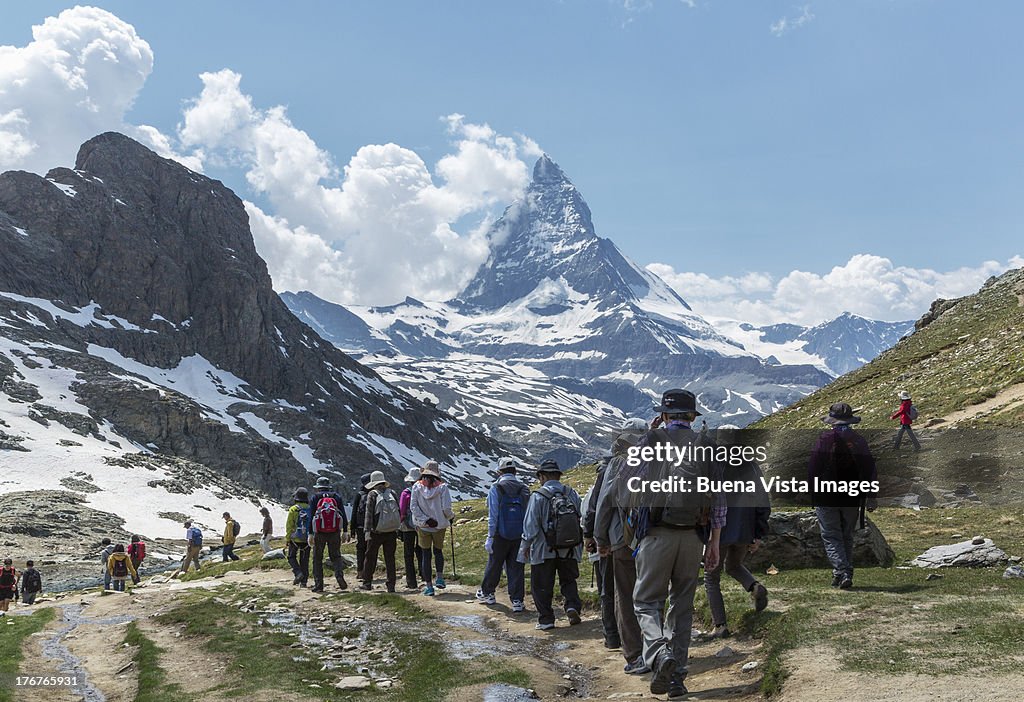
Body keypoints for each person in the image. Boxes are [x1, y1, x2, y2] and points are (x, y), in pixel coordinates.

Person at [628, 389, 726, 698]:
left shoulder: (652, 442)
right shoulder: (707, 446)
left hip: (657, 534)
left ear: (665, 415)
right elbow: (720, 501)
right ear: (693, 417)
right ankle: (677, 680)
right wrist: (714, 544)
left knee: (646, 602)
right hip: (693, 537)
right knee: (681, 607)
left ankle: (658, 653)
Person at [703, 426, 771, 639]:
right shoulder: (750, 464)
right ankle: (754, 586)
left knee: (711, 576)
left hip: (718, 530)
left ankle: (720, 625)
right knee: (733, 565)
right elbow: (763, 501)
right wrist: (758, 533)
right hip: (745, 528)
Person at [594, 418, 649, 675]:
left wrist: (600, 539)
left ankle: (635, 656)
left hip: (622, 541)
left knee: (625, 597)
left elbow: (605, 504)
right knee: (653, 595)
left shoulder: (617, 464)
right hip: (654, 537)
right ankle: (658, 649)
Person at [809, 402, 878, 590]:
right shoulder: (858, 441)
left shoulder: (824, 439)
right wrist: (871, 494)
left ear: (832, 421)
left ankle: (842, 571)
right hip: (853, 495)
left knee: (831, 535)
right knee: (847, 535)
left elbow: (814, 468)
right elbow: (870, 468)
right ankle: (843, 572)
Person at [518, 459, 584, 631]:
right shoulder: (572, 494)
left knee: (541, 585)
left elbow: (531, 526)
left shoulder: (538, 496)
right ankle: (572, 607)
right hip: (569, 548)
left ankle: (546, 619)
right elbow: (580, 518)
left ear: (543, 476)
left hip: (543, 549)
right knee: (569, 580)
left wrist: (525, 546)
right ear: (558, 475)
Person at [476, 458, 530, 612]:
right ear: (515, 471)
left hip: (500, 534)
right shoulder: (524, 489)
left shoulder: (496, 488)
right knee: (516, 567)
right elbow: (528, 514)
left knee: (495, 564)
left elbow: (493, 515)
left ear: (499, 471)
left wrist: (490, 537)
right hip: (519, 534)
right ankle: (517, 600)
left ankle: (488, 593)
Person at [584, 455, 620, 649]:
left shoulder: (605, 476)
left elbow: (596, 510)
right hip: (634, 541)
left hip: (609, 542)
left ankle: (612, 637)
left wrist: (593, 537)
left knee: (607, 590)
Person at [411, 461, 454, 596]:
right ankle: (440, 578)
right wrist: (451, 516)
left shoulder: (417, 487)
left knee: (425, 554)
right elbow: (446, 508)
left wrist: (425, 520)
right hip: (439, 525)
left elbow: (414, 507)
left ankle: (429, 586)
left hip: (424, 526)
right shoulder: (442, 488)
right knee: (438, 551)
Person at [307, 475, 349, 592]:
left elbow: (311, 516)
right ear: (328, 487)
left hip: (319, 533)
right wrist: (345, 530)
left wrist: (310, 533)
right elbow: (343, 515)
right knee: (336, 556)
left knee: (317, 558)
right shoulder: (336, 496)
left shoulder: (315, 497)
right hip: (335, 532)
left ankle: (319, 584)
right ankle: (339, 576)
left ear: (318, 487)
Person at [361, 471, 401, 592]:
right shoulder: (392, 493)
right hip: (391, 531)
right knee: (390, 558)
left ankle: (367, 582)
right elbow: (398, 510)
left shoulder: (372, 494)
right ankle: (391, 584)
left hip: (376, 532)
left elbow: (369, 514)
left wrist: (367, 531)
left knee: (370, 556)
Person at [398, 468, 425, 590]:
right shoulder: (424, 491)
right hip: (421, 525)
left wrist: (400, 523)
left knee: (408, 553)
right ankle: (424, 576)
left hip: (408, 526)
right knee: (422, 551)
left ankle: (411, 581)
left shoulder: (406, 493)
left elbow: (402, 511)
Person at [286, 487, 312, 587]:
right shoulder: (310, 508)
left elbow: (289, 525)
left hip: (295, 539)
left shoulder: (293, 509)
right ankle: (304, 582)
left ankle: (298, 573)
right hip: (308, 539)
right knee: (304, 560)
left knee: (291, 557)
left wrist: (288, 538)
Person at [350, 473, 372, 579]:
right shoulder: (375, 493)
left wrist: (352, 529)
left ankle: (360, 571)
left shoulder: (360, 494)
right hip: (373, 527)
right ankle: (368, 571)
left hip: (360, 526)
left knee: (360, 548)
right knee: (371, 549)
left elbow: (354, 512)